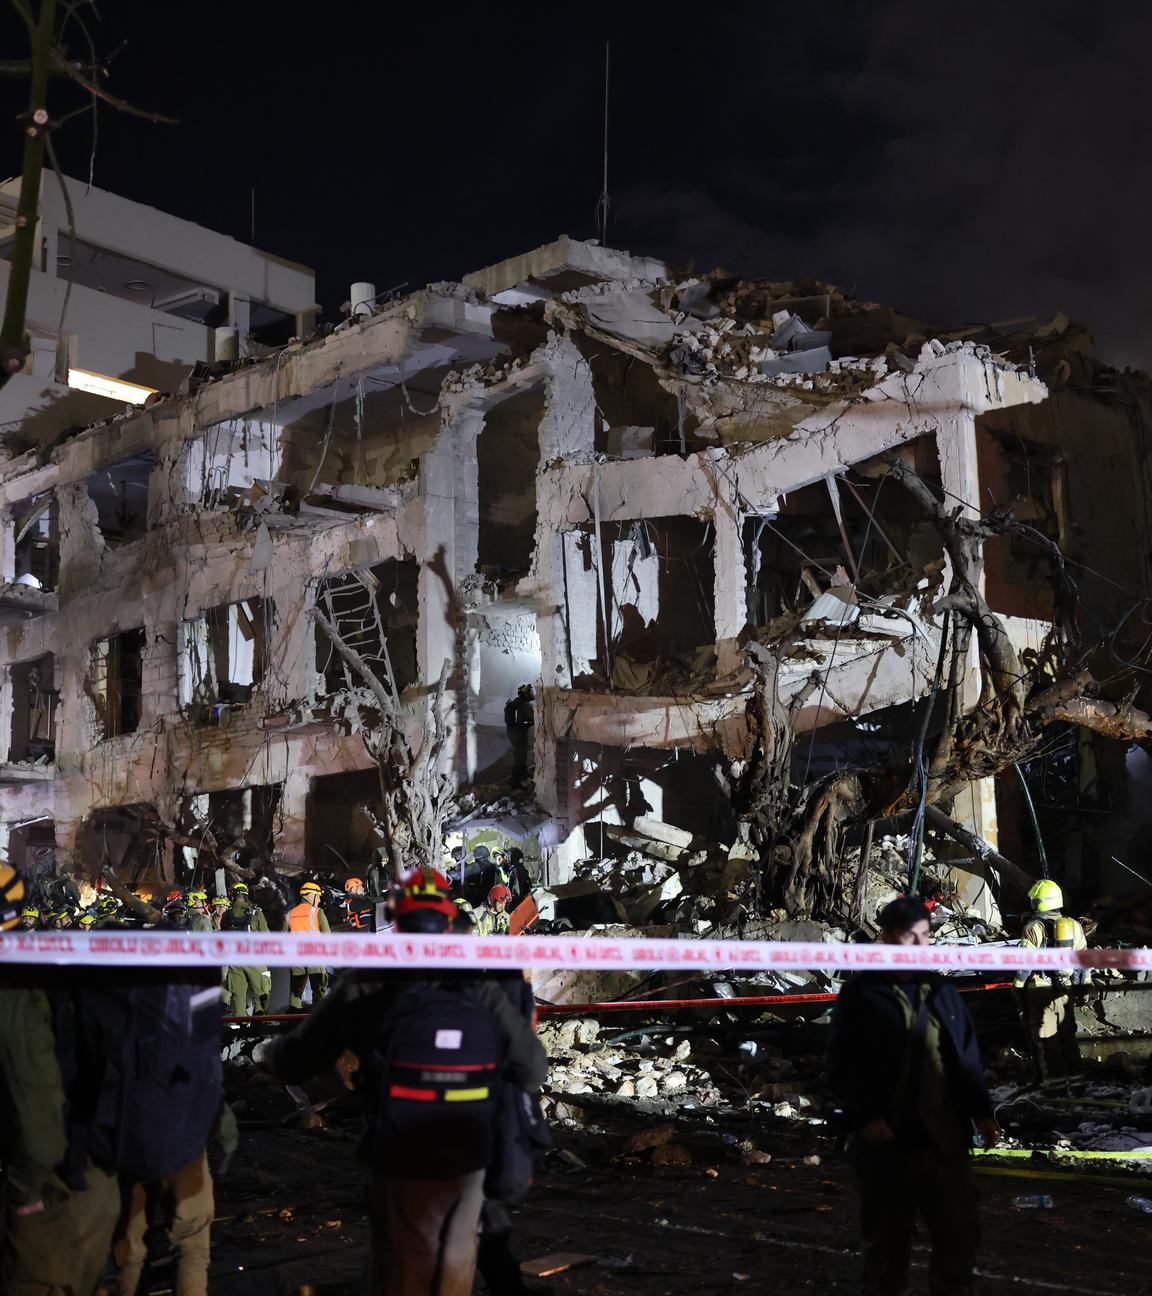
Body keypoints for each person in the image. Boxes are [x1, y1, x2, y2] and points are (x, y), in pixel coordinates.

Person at [260, 865, 547, 1296]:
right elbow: (532, 1067)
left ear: (398, 917)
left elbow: (298, 1059)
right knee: (455, 1270)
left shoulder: (366, 984)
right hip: (469, 1155)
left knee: (400, 1271)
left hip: (400, 1153)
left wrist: (268, 1054)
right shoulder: (480, 987)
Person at [828, 896, 998, 1296]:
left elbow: (965, 1058)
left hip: (944, 1139)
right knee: (888, 1243)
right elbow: (842, 1065)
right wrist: (865, 1117)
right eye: (911, 937)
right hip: (887, 1140)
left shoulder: (942, 993)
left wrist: (982, 1113)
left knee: (958, 1235)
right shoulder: (861, 996)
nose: (922, 948)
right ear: (886, 938)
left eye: (926, 937)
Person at [0, 862, 122, 1296]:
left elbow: (36, 1115)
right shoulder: (41, 969)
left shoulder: (15, 984)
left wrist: (23, 1192)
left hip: (46, 1178)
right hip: (85, 1169)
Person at [1015, 879, 1089, 1084]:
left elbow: (1025, 963)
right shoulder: (1074, 926)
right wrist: (1083, 989)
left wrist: (1018, 988)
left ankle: (1055, 1086)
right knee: (1068, 1037)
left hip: (1041, 992)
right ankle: (1077, 1082)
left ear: (1038, 903)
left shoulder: (1033, 928)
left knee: (1047, 1041)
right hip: (1066, 991)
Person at [223, 883, 271, 1016]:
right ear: (246, 895)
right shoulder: (256, 912)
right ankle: (260, 1022)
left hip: (235, 961)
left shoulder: (227, 915)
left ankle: (241, 1028)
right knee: (261, 993)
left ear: (232, 895)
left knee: (238, 997)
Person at [283, 880, 330, 1010]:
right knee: (319, 989)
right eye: (318, 896)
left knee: (296, 992)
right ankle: (317, 1022)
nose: (319, 900)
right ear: (310, 895)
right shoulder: (317, 912)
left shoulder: (289, 914)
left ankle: (293, 1021)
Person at [504, 685, 535, 788]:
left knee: (519, 756)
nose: (532, 694)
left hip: (512, 732)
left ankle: (520, 778)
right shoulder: (524, 705)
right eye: (530, 692)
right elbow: (534, 718)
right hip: (519, 733)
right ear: (525, 694)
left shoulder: (514, 702)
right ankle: (517, 782)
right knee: (520, 758)